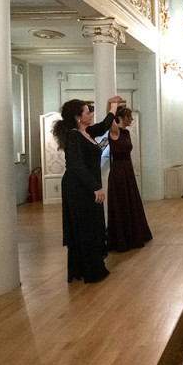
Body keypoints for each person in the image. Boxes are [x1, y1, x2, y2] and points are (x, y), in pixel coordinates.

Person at [52, 95, 123, 283]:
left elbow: (105, 124)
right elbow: (76, 165)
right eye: (87, 112)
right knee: (87, 227)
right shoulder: (74, 136)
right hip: (78, 187)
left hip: (84, 184)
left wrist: (113, 107)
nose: (90, 114)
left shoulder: (87, 132)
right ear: (77, 117)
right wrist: (96, 187)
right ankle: (90, 270)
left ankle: (88, 267)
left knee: (92, 225)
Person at [106, 107, 152, 252]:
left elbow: (128, 154)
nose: (131, 119)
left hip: (127, 171)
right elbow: (109, 117)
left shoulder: (126, 133)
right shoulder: (115, 131)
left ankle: (133, 235)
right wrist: (110, 104)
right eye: (129, 116)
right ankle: (122, 238)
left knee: (130, 201)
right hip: (118, 172)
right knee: (122, 202)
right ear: (121, 118)